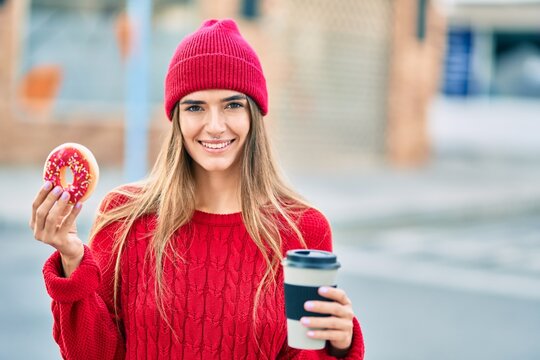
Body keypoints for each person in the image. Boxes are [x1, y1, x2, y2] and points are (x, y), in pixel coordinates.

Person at [30, 19, 365, 359]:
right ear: (176, 118)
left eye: (232, 105)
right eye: (195, 107)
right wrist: (73, 261)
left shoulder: (303, 229)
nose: (215, 126)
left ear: (254, 115)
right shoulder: (124, 217)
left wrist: (337, 345)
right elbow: (94, 354)